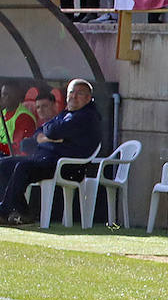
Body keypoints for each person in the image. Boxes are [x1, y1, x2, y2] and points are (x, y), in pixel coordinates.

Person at [0, 79, 102, 225]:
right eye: (71, 93)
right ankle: (22, 212)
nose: (73, 96)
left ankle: (4, 211)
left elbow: (53, 130)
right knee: (4, 165)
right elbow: (40, 131)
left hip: (67, 166)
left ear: (88, 98)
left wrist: (50, 135)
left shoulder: (87, 115)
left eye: (79, 94)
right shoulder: (67, 113)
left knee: (23, 168)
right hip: (46, 159)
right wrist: (50, 136)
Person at [0, 82, 37, 157]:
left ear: (18, 96)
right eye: (4, 94)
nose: (6, 98)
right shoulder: (2, 113)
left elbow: (17, 149)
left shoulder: (24, 117)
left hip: (11, 159)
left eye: (9, 95)